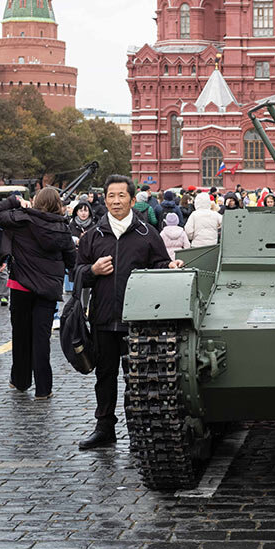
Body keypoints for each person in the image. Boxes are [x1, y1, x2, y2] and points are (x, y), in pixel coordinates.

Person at [74, 175, 184, 450]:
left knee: (137, 378)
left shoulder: (147, 234)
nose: (115, 201)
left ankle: (138, 430)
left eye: (121, 196)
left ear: (133, 200)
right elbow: (77, 273)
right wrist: (92, 270)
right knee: (105, 375)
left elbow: (160, 263)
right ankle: (104, 428)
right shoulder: (94, 236)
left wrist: (169, 267)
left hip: (138, 320)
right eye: (111, 196)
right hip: (102, 317)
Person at [0, 187, 76, 400]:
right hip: (47, 289)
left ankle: (20, 380)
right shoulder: (62, 228)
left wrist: (14, 201)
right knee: (41, 339)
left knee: (20, 335)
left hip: (21, 285)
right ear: (57, 204)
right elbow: (71, 260)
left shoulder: (20, 220)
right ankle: (43, 389)